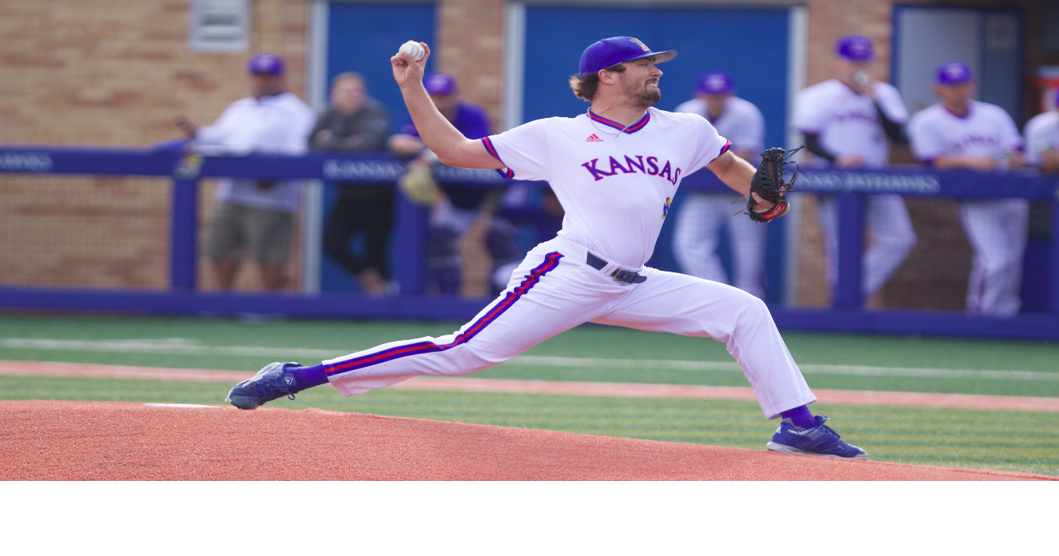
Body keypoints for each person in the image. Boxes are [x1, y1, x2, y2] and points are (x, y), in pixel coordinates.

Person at [226, 37, 867, 460]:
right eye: (646, 65)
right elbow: (453, 153)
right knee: (463, 353)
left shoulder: (687, 129)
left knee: (744, 311)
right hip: (567, 272)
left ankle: (800, 426)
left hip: (633, 279)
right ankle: (295, 376)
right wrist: (411, 87)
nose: (656, 72)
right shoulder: (558, 134)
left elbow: (734, 173)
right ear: (609, 76)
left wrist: (765, 195)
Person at [792, 35, 917, 303]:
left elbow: (897, 134)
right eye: (852, 61)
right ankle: (844, 305)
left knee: (900, 239)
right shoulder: (816, 95)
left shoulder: (884, 94)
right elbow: (809, 141)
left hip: (877, 178)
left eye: (864, 61)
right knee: (841, 249)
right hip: (834, 178)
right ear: (839, 63)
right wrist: (838, 158)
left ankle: (850, 297)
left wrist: (874, 99)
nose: (858, 66)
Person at [177, 54, 316, 291]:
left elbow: (299, 150)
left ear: (281, 78)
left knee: (270, 252)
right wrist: (198, 133)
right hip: (231, 192)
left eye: (268, 76)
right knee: (221, 248)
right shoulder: (239, 108)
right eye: (258, 76)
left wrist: (275, 174)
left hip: (272, 195)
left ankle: (268, 308)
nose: (262, 81)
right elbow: (218, 138)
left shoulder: (297, 111)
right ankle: (223, 305)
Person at [907, 62, 1027, 316]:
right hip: (976, 198)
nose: (959, 90)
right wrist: (974, 160)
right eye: (952, 86)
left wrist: (1008, 159)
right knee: (996, 260)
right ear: (938, 89)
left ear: (972, 85)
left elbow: (1015, 151)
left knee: (1012, 261)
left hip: (1011, 192)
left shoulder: (993, 114)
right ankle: (981, 315)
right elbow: (932, 160)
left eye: (963, 84)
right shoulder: (927, 120)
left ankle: (1006, 315)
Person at [388, 73, 519, 297]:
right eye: (435, 96)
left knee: (499, 241)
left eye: (444, 96)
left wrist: (426, 154)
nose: (440, 102)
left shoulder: (472, 115)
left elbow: (469, 149)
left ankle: (501, 302)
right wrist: (396, 143)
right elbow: (403, 142)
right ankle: (447, 305)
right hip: (455, 199)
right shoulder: (421, 115)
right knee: (440, 241)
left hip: (491, 197)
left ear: (454, 96)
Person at [672, 72, 768, 298]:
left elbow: (745, 152)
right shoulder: (685, 112)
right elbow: (681, 153)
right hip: (703, 194)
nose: (716, 99)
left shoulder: (746, 112)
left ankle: (752, 306)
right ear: (700, 95)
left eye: (721, 95)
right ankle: (722, 298)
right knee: (687, 245)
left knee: (749, 257)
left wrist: (704, 157)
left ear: (730, 94)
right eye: (711, 95)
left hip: (742, 192)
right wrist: (716, 157)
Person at [310, 72, 393, 295]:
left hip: (378, 195)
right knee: (332, 243)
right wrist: (349, 142)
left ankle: (384, 303)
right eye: (347, 92)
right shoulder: (327, 113)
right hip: (348, 193)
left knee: (375, 248)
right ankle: (372, 280)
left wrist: (332, 140)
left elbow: (369, 145)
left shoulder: (375, 111)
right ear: (334, 95)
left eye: (358, 91)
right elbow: (311, 144)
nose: (353, 96)